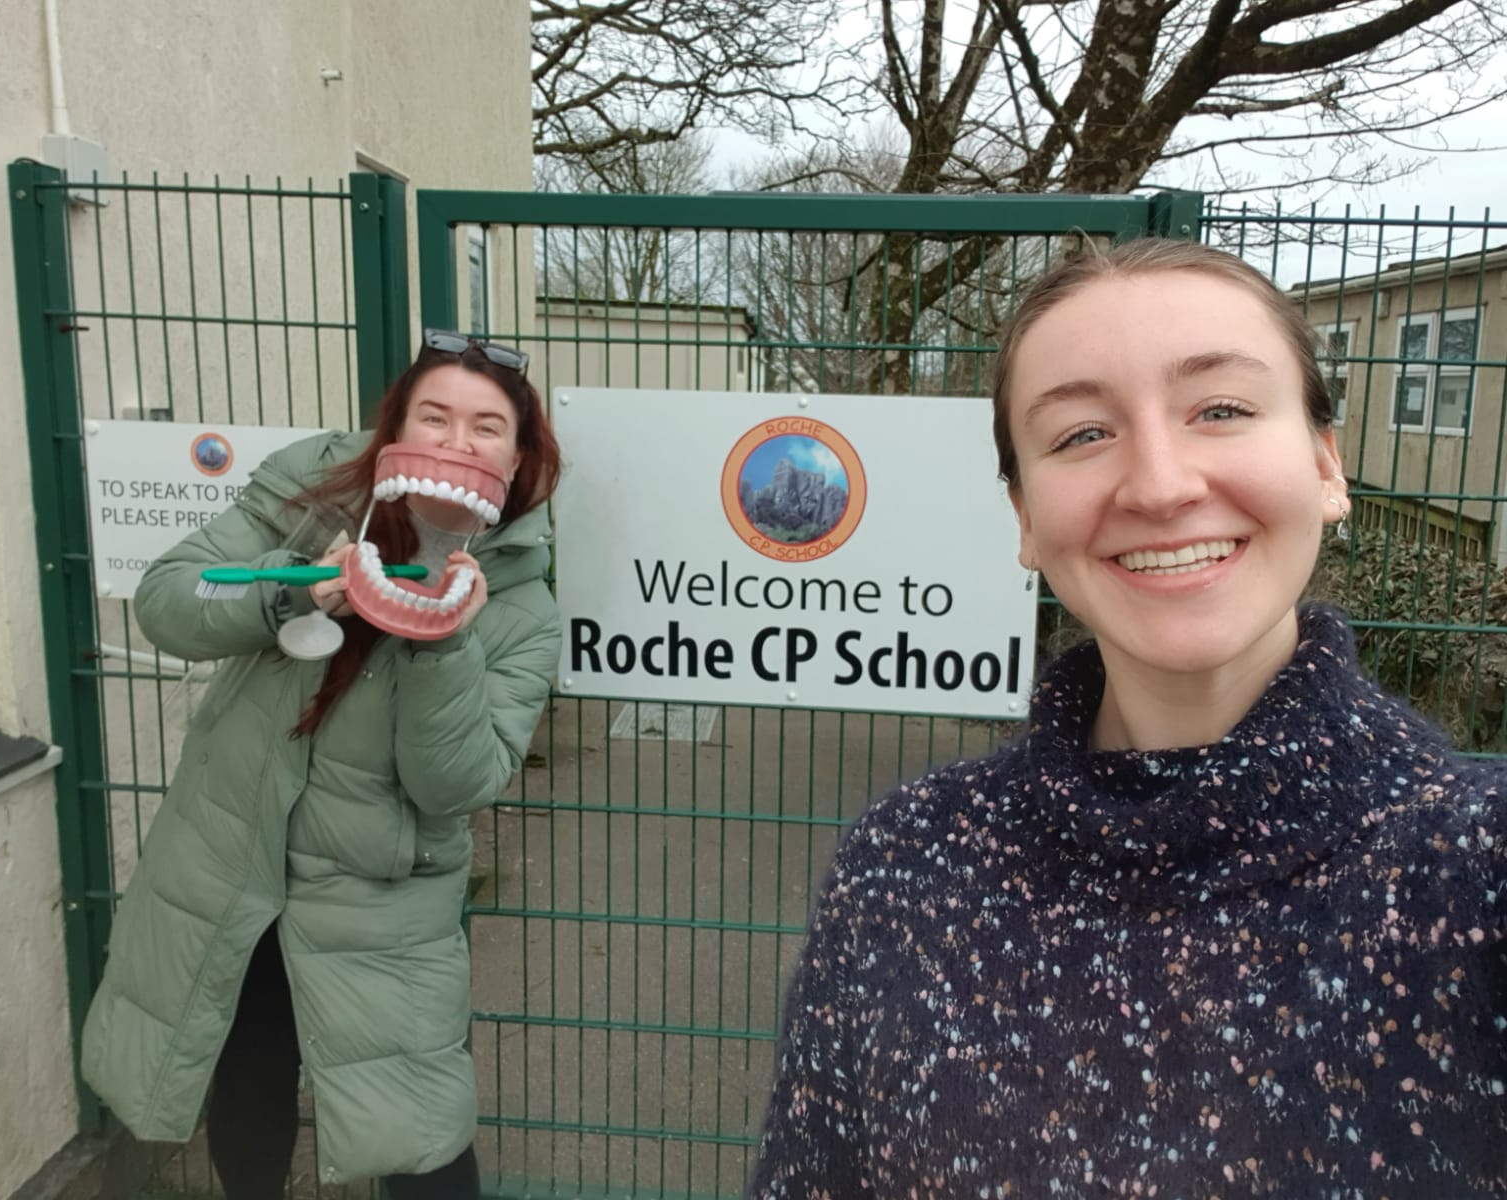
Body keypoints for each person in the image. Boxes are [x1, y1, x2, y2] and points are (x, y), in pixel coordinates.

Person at [747, 240, 1507, 1197]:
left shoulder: (1475, 869)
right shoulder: (902, 864)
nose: (1158, 484)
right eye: (1079, 435)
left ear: (1325, 463)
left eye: (1220, 410)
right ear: (1024, 515)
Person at [80, 331, 563, 1198]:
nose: (458, 442)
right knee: (248, 1088)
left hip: (382, 903)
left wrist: (441, 638)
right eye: (435, 415)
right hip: (235, 863)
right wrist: (291, 589)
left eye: (486, 428)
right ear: (396, 425)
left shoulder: (522, 604)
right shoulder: (313, 494)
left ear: (519, 455)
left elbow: (455, 784)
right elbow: (167, 600)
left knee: (417, 1137)